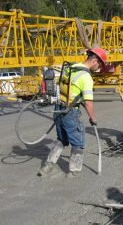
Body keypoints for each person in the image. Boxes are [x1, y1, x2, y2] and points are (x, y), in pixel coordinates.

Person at [38, 47, 107, 177]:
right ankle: (74, 172)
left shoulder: (71, 67)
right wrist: (93, 118)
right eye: (100, 64)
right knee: (78, 143)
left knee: (61, 139)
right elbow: (88, 102)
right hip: (70, 113)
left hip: (59, 109)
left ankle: (47, 166)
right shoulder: (86, 77)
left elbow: (68, 88)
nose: (99, 68)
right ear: (94, 60)